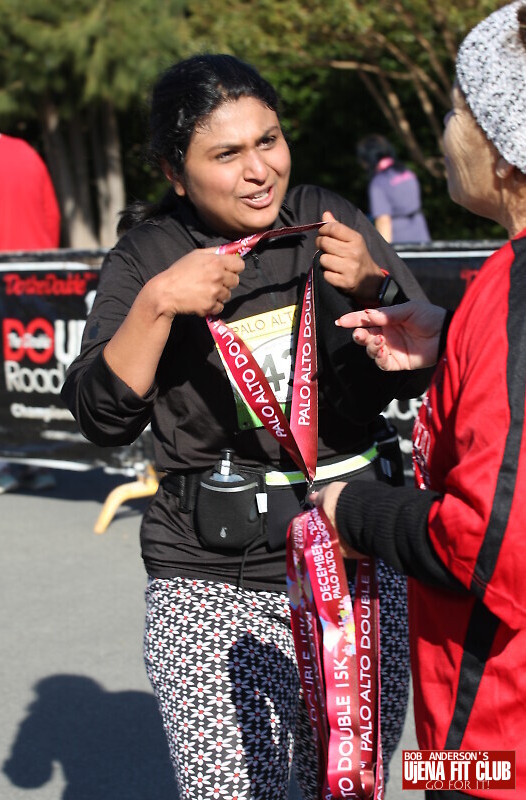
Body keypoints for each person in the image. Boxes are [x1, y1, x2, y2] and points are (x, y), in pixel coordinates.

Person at [61, 54, 433, 800]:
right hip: (211, 578)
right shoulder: (148, 257)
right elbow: (101, 417)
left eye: (268, 140)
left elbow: (414, 370)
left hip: (356, 561)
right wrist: (159, 305)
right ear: (175, 172)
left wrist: (375, 286)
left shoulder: (328, 216)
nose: (259, 171)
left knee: (349, 786)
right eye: (226, 154)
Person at [314, 3, 526, 798]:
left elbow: (493, 545)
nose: (443, 132)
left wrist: (351, 511)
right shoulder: (496, 293)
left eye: (456, 110)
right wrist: (458, 336)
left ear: (502, 150)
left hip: (496, 745)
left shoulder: (513, 297)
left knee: (432, 779)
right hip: (478, 720)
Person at [0, 132, 61, 494]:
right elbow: (51, 215)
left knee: (0, 373)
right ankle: (38, 462)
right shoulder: (25, 152)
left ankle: (1, 464)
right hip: (38, 281)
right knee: (30, 371)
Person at [357, 133, 431, 244]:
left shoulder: (379, 182)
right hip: (420, 232)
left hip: (399, 239)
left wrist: (384, 250)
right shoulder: (406, 172)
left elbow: (383, 221)